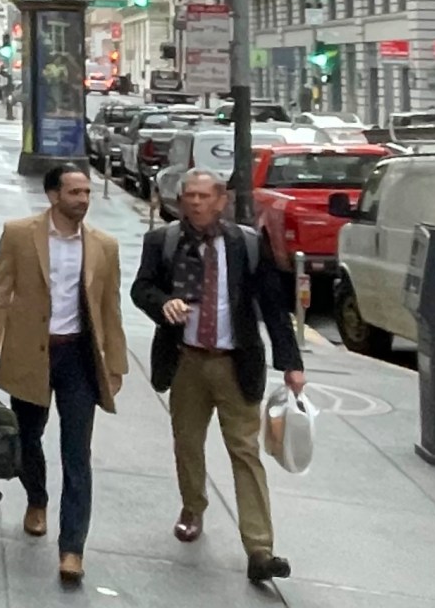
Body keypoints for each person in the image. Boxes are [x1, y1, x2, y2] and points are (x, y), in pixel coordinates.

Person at [129, 169, 307, 584]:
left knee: (245, 452)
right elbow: (141, 288)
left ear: (221, 200)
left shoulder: (245, 244)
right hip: (186, 359)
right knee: (188, 443)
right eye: (189, 195)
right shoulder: (164, 242)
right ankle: (193, 506)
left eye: (204, 196)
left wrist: (291, 362)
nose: (195, 203)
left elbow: (273, 305)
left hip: (235, 361)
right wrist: (163, 304)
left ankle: (259, 547)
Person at [0, 165, 129, 584]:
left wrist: (115, 365)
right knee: (27, 438)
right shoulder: (20, 234)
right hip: (31, 355)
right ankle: (37, 498)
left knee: (78, 454)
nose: (82, 199)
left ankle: (72, 549)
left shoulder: (104, 246)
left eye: (86, 192)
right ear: (52, 195)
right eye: (74, 192)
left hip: (78, 357)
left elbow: (111, 309)